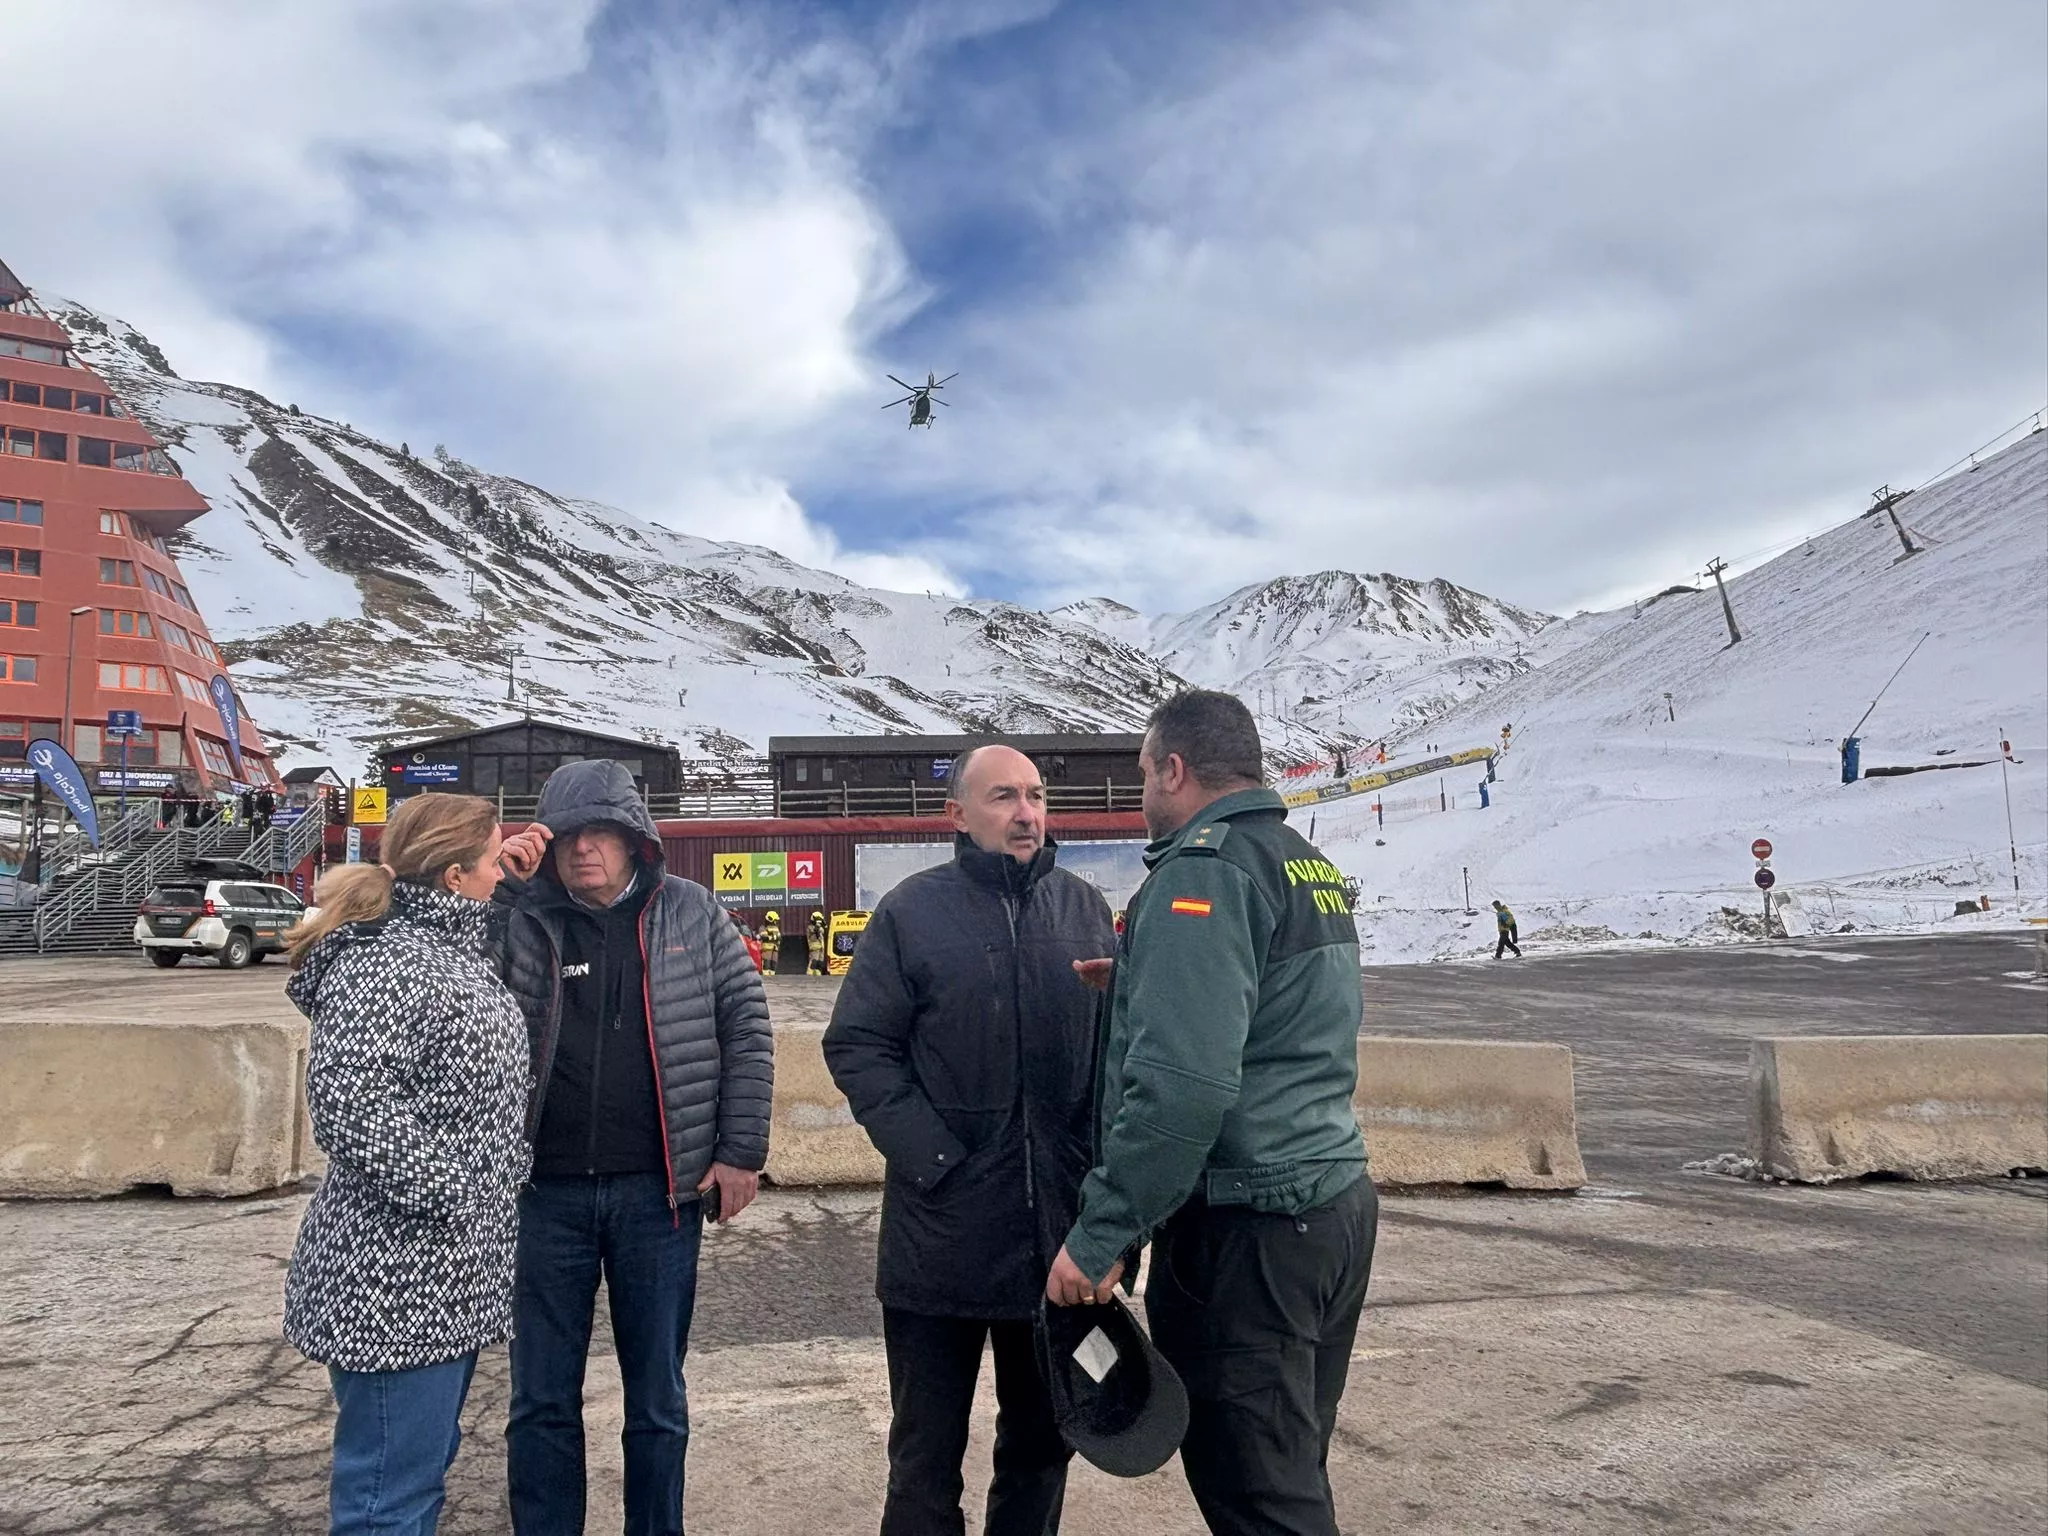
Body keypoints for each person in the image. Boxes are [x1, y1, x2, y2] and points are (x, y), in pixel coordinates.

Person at [1047, 690, 1376, 1536]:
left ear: (1175, 768)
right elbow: (1280, 1014)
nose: (1144, 794)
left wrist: (1101, 1234)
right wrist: (1140, 988)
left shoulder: (1203, 868)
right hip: (1331, 1206)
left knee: (1259, 1495)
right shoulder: (1303, 861)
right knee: (1292, 1467)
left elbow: (1183, 1089)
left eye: (1145, 774)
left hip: (1250, 1229)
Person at [824, 745, 1114, 1536]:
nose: (1025, 813)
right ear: (956, 815)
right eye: (1002, 798)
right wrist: (936, 1162)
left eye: (1035, 795)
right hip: (938, 1242)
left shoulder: (1085, 910)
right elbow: (856, 1045)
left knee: (1041, 1450)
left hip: (1054, 1248)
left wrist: (1106, 1213)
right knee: (922, 1462)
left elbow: (1117, 1062)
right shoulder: (910, 913)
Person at [493, 761, 774, 1536]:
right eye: (569, 836)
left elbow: (745, 1032)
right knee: (541, 1399)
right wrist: (503, 893)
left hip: (661, 1197)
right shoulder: (521, 917)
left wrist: (740, 1149)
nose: (586, 850)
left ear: (634, 840)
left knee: (657, 1398)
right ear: (544, 844)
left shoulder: (692, 912)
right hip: (541, 1197)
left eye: (602, 834)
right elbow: (462, 994)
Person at [281, 792, 538, 1536]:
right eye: (494, 862)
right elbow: (349, 1105)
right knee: (387, 1495)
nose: (501, 874)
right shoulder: (386, 964)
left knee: (414, 1475)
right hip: (395, 1281)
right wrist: (460, 1194)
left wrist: (512, 864)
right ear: (456, 877)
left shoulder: (437, 948)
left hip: (438, 1277)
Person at [759, 909, 781, 976]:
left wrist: (771, 937)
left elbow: (779, 937)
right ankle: (766, 978)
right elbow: (764, 937)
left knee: (773, 964)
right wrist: (774, 937)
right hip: (766, 949)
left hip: (775, 949)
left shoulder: (776, 928)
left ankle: (772, 977)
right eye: (775, 920)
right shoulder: (763, 927)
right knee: (766, 964)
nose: (776, 922)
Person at [806, 909, 828, 975]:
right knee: (814, 960)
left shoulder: (820, 927)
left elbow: (824, 929)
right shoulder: (810, 927)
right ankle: (810, 973)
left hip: (821, 946)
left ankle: (818, 974)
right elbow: (815, 931)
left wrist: (823, 923)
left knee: (820, 962)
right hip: (814, 946)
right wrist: (817, 925)